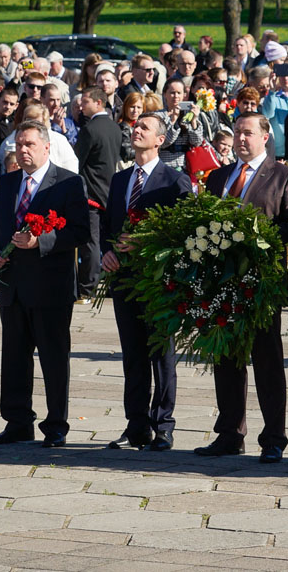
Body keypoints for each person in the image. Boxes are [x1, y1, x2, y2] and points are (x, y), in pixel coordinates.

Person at [199, 112, 288, 463]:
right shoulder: (218, 177)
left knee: (267, 360)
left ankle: (274, 437)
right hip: (221, 283)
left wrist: (260, 237)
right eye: (237, 133)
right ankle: (230, 433)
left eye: (248, 133)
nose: (241, 139)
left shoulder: (283, 176)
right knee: (226, 358)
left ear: (265, 137)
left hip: (261, 283)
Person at [0, 121, 90, 447]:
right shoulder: (8, 182)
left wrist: (41, 241)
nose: (23, 151)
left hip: (50, 287)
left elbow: (80, 232)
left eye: (29, 145)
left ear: (46, 147)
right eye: (18, 145)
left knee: (54, 358)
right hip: (12, 286)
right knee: (14, 356)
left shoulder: (68, 183)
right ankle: (17, 421)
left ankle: (56, 424)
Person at [101, 112, 191, 451]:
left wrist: (148, 245)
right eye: (135, 127)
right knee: (132, 354)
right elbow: (110, 225)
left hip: (159, 281)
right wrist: (107, 253)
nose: (136, 130)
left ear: (160, 140)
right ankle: (136, 424)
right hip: (125, 280)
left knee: (161, 353)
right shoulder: (121, 179)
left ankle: (163, 423)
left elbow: (183, 233)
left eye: (144, 128)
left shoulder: (173, 180)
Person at [74, 87, 122, 302]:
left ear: (99, 103)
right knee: (107, 241)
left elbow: (79, 160)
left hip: (91, 192)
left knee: (91, 242)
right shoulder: (114, 128)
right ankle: (111, 281)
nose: (81, 105)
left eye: (85, 101)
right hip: (109, 190)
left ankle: (88, 286)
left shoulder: (89, 129)